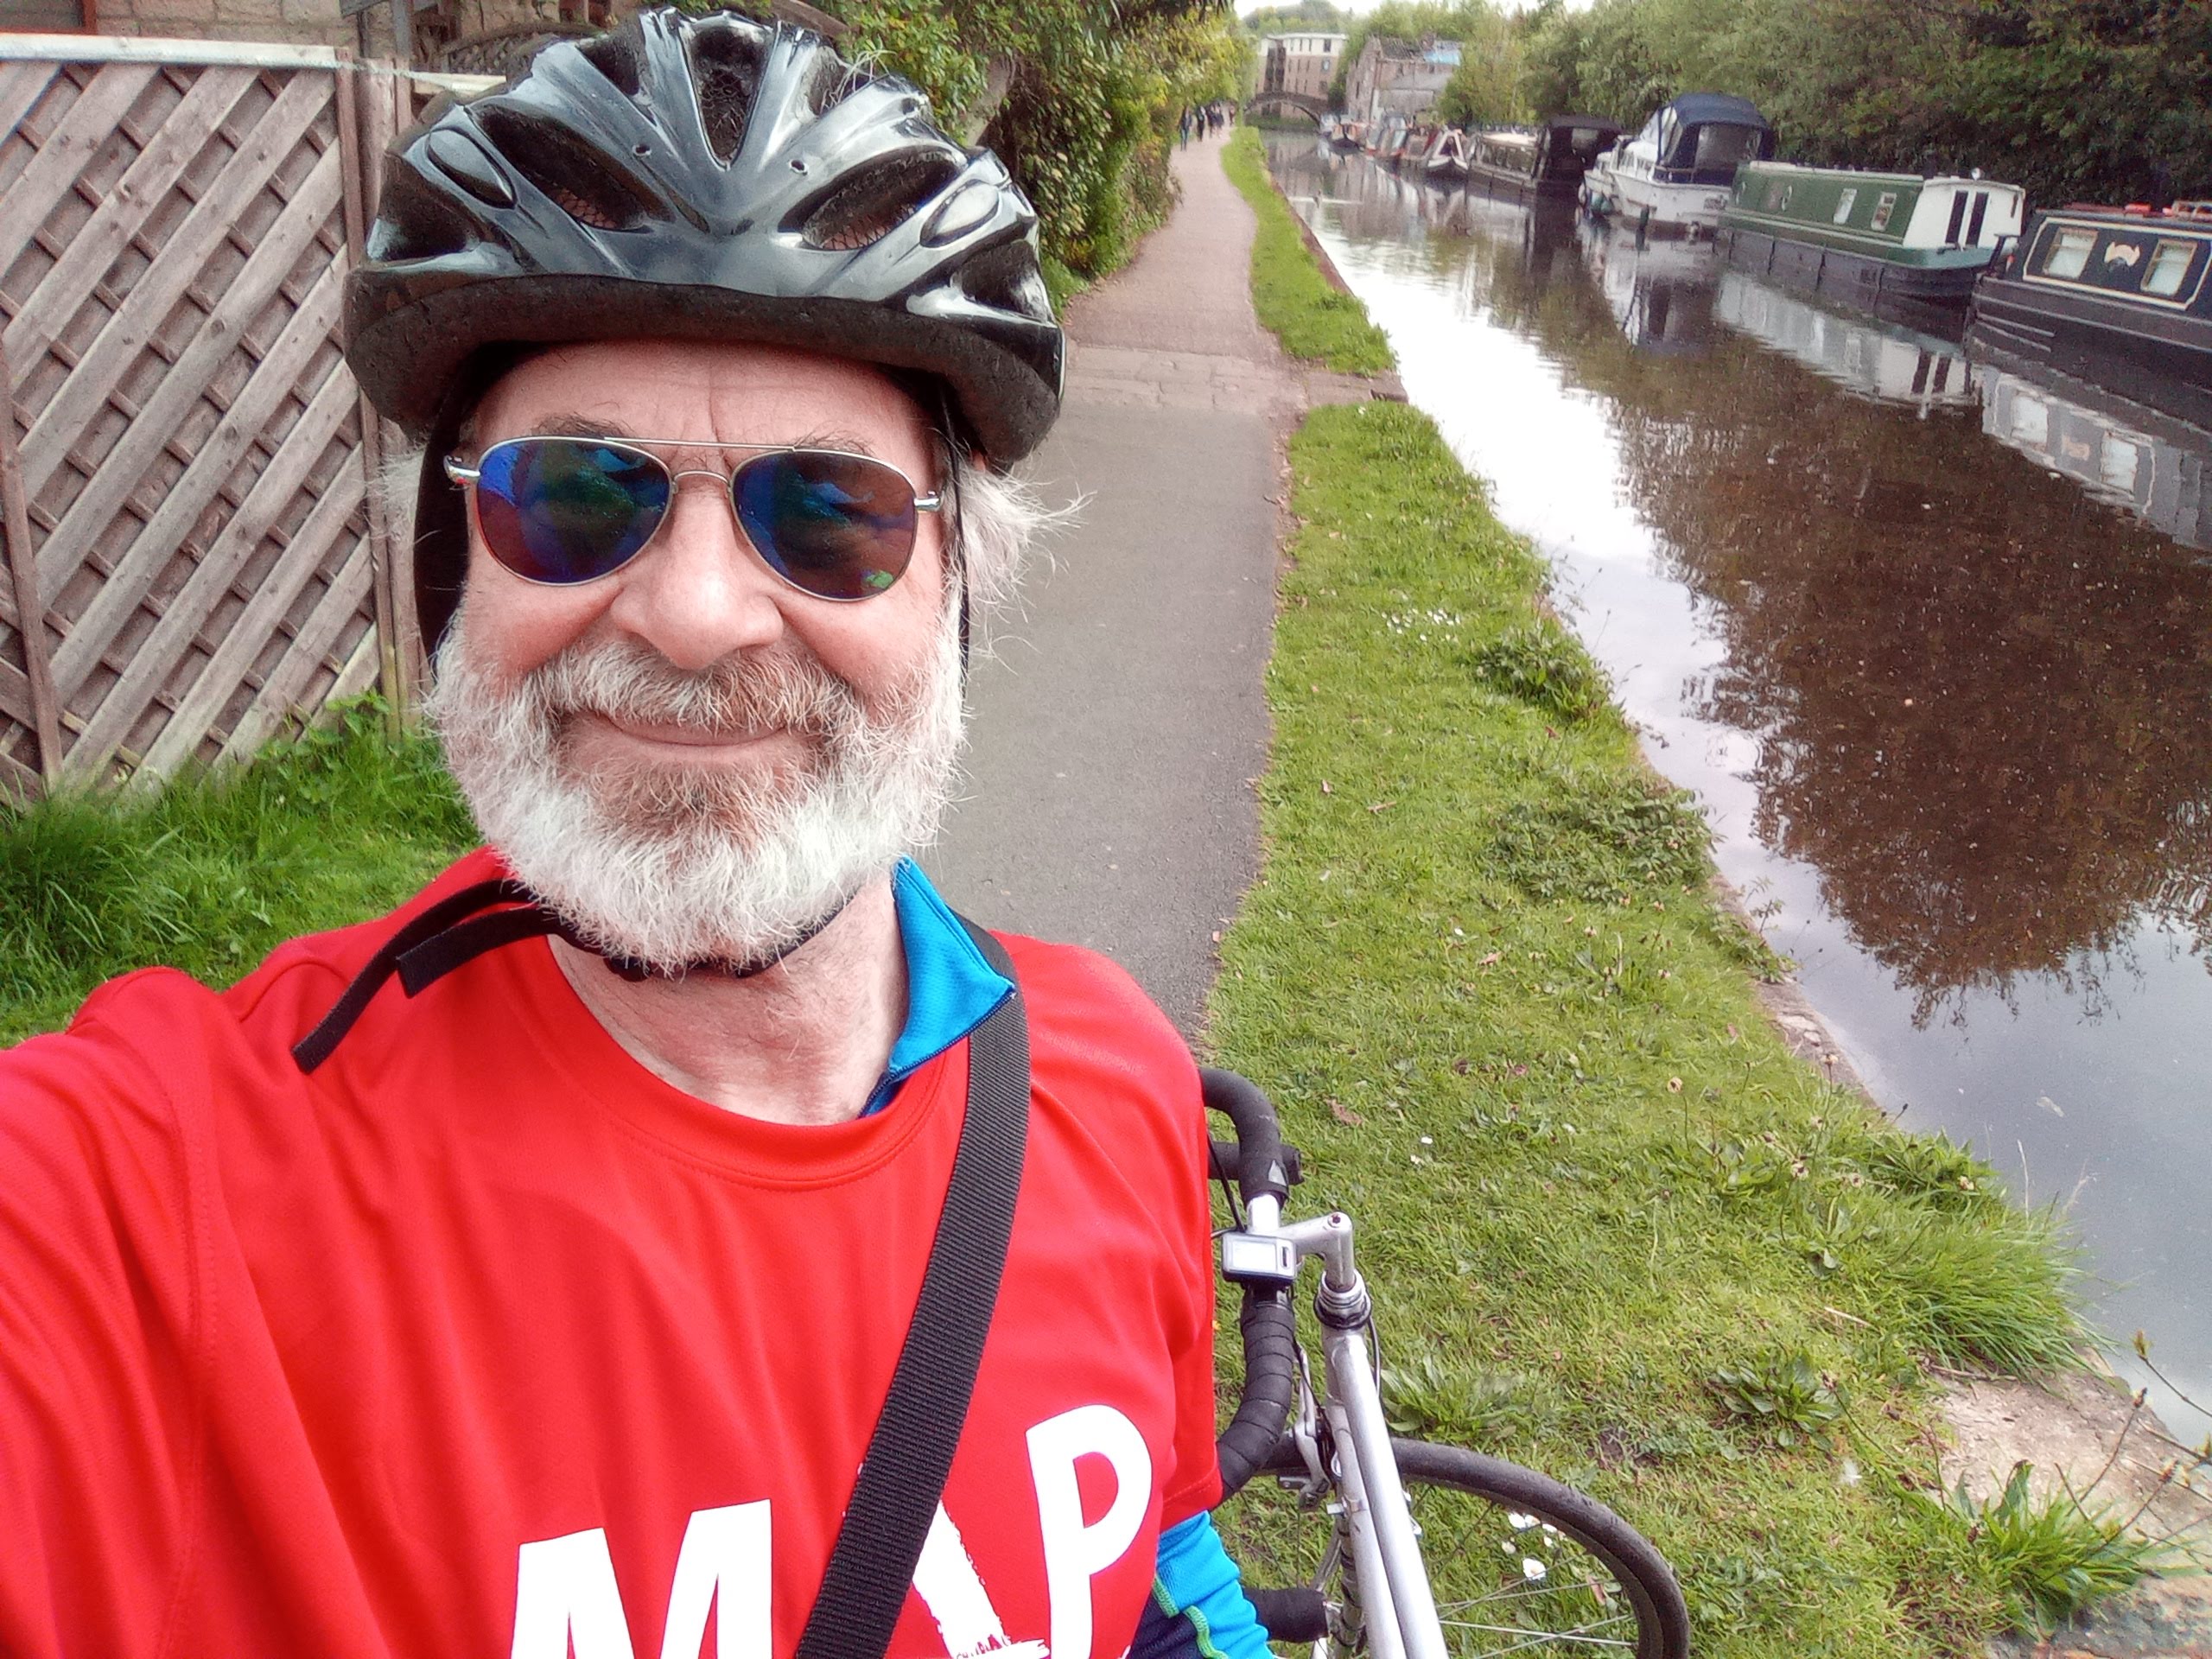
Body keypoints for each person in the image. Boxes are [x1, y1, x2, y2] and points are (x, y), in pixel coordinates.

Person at [0, 13, 1274, 1659]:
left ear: (963, 586)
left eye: (828, 512)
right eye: (577, 498)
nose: (690, 617)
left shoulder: (1112, 1074)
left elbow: (1163, 1578)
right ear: (459, 569)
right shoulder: (157, 1198)